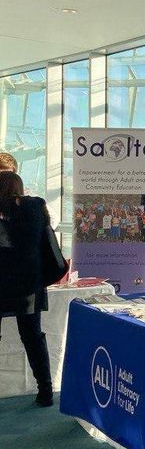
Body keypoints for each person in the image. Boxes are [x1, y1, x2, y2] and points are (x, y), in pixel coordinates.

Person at [0, 171, 59, 406]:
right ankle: (45, 390)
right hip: (29, 282)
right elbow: (48, 241)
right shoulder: (36, 208)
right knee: (33, 336)